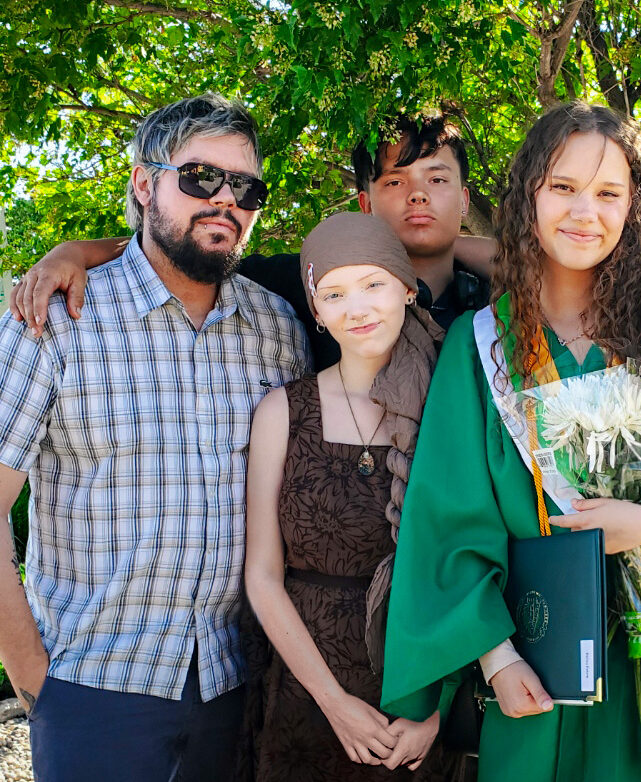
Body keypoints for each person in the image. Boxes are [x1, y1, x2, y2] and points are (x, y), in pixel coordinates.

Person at [380, 102, 641, 782]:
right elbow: (447, 524)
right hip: (535, 653)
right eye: (563, 187)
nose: (584, 212)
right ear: (528, 198)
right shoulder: (480, 345)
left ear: (634, 207)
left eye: (608, 193)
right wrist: (496, 657)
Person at [0, 93, 309, 781]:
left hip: (234, 691)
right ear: (145, 184)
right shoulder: (56, 319)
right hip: (92, 692)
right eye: (200, 178)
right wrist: (34, 681)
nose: (225, 199)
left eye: (246, 187)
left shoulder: (280, 327)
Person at [9, 114, 493, 368]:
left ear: (466, 199)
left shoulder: (499, 298)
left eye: (437, 180)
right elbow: (188, 248)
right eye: (394, 181)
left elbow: (550, 262)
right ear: (363, 204)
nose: (417, 197)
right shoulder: (305, 281)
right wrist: (74, 252)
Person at [237, 211, 450, 781]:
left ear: (407, 288)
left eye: (373, 284)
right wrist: (333, 702)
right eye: (334, 293)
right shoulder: (284, 411)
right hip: (308, 695)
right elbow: (262, 574)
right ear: (317, 311)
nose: (357, 309)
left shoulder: (451, 405)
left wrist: (436, 712)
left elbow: (474, 563)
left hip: (419, 700)